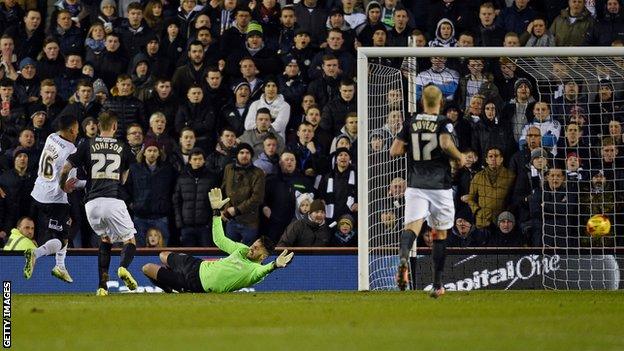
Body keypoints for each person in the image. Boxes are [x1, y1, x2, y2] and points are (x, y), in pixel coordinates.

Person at [390, 84, 466, 297]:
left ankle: (404, 258)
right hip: (439, 186)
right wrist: (459, 156)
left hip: (415, 185)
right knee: (439, 234)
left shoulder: (411, 122)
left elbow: (394, 150)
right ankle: (437, 285)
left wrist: (410, 148)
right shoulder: (444, 122)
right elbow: (444, 143)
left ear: (422, 102)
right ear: (441, 102)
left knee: (412, 228)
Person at [141, 188, 294, 293]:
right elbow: (219, 240)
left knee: (147, 268)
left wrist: (274, 265)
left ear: (263, 257)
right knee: (163, 255)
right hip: (197, 265)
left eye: (256, 249)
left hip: (195, 284)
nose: (251, 248)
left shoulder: (254, 272)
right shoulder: (242, 250)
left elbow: (262, 271)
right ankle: (169, 281)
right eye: (253, 245)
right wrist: (216, 213)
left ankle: (172, 287)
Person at [59, 112, 139, 296]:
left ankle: (102, 286)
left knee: (105, 239)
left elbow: (66, 168)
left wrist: (62, 185)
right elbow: (124, 179)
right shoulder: (123, 147)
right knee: (129, 239)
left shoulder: (86, 144)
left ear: (98, 126)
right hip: (113, 199)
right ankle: (123, 268)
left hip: (91, 204)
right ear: (114, 127)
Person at [24, 114, 79, 283]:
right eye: (77, 129)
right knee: (62, 241)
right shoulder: (71, 150)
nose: (78, 132)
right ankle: (36, 253)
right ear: (71, 130)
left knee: (65, 231)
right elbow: (71, 183)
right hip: (54, 198)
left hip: (38, 192)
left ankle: (60, 267)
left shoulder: (51, 137)